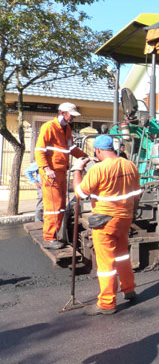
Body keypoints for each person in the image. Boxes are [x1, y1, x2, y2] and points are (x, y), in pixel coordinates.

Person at [72, 134, 142, 315]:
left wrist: (77, 170)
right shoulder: (130, 165)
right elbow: (137, 194)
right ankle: (129, 289)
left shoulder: (98, 169)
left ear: (97, 151)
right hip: (124, 218)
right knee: (121, 256)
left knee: (105, 264)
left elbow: (80, 192)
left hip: (105, 221)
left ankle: (107, 303)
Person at [34, 102, 88, 249]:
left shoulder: (67, 129)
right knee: (53, 205)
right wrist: (45, 168)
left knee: (61, 206)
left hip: (62, 172)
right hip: (51, 173)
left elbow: (71, 148)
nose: (73, 118)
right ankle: (49, 237)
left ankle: (57, 234)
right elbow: (39, 150)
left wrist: (85, 156)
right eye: (71, 115)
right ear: (63, 113)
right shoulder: (48, 127)